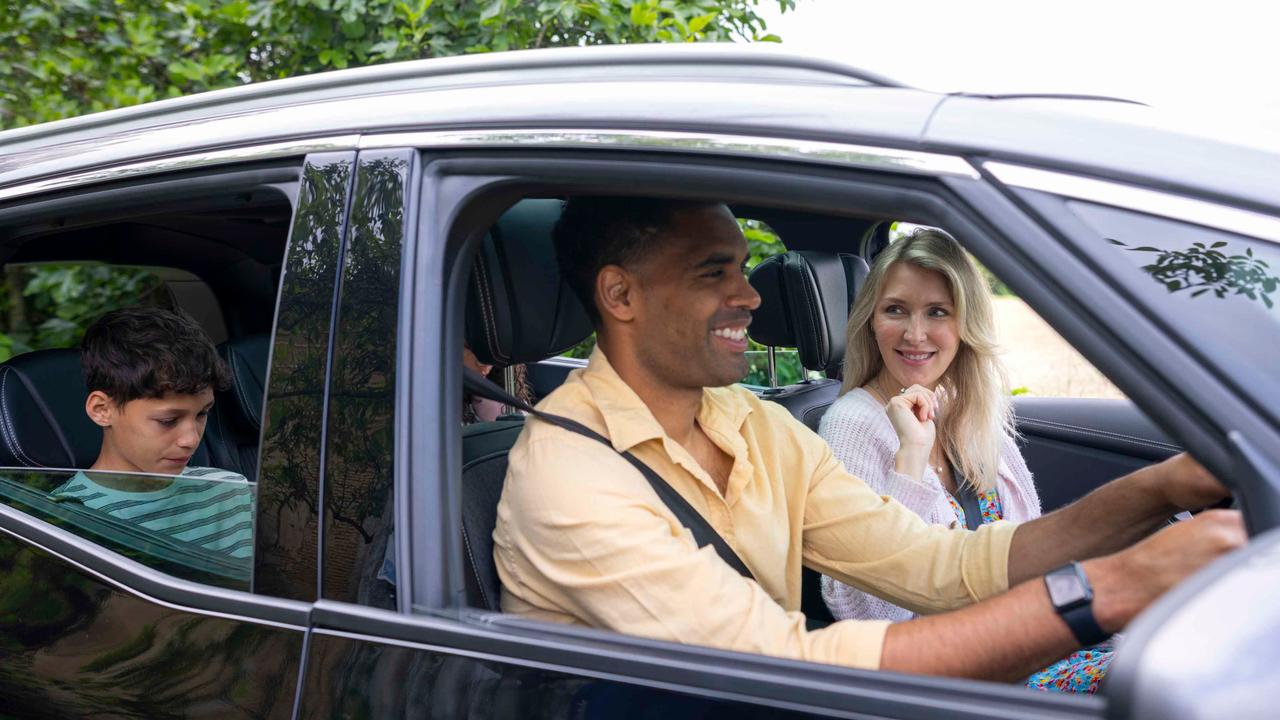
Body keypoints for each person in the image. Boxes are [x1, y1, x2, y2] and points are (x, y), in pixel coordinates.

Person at [493, 197, 1244, 680]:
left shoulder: (755, 425)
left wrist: (1161, 489)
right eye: (713, 272)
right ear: (621, 294)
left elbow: (939, 563)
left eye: (744, 269)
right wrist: (1112, 588)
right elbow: (784, 666)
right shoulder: (568, 478)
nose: (750, 295)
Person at [818, 227, 1107, 692]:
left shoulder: (966, 406)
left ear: (965, 324)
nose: (915, 334)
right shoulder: (851, 425)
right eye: (896, 310)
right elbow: (865, 614)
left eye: (937, 312)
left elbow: (1026, 546)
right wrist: (911, 459)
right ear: (871, 320)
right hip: (955, 675)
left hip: (1029, 638)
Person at [49, 307, 254, 560]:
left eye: (202, 414)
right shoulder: (66, 519)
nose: (191, 440)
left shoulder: (229, 491)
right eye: (168, 421)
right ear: (102, 410)